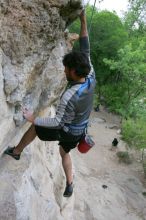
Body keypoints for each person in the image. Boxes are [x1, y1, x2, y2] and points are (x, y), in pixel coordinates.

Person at [4, 10, 96, 197]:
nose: (64, 71)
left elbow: (57, 123)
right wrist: (83, 20)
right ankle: (70, 183)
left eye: (66, 69)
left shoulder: (70, 96)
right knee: (64, 153)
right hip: (80, 130)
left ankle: (17, 151)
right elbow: (85, 46)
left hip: (69, 129)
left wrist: (33, 118)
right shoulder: (90, 75)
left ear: (74, 72)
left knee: (37, 127)